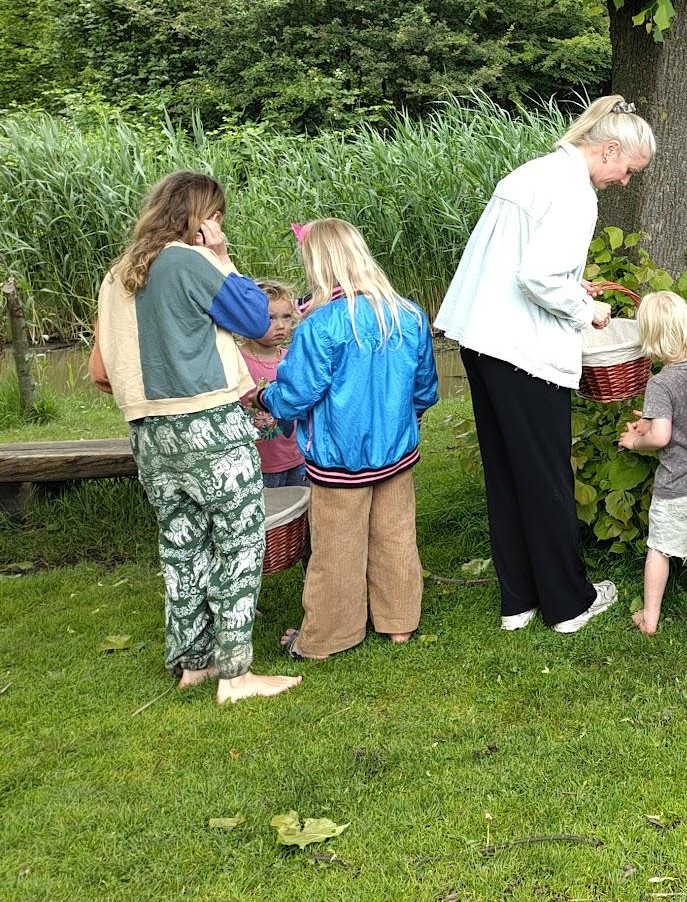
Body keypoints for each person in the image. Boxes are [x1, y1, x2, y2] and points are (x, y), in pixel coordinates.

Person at [436, 95, 654, 635]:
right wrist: (588, 307)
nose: (625, 181)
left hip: (482, 339)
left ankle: (519, 601)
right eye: (628, 170)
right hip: (522, 351)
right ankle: (567, 603)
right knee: (547, 475)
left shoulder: (532, 174)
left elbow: (519, 263)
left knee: (506, 474)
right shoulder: (574, 193)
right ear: (609, 150)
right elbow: (536, 278)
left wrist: (568, 285)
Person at [92, 170, 299, 703]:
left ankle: (194, 663)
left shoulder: (118, 275)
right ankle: (236, 674)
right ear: (203, 217)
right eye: (217, 217)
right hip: (206, 422)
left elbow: (103, 367)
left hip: (147, 430)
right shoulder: (190, 260)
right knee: (238, 542)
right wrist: (223, 256)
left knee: (182, 545)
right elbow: (256, 319)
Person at [259, 220, 439, 660]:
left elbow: (296, 395)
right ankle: (399, 622)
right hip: (397, 452)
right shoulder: (408, 314)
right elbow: (426, 389)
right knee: (396, 536)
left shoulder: (321, 325)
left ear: (320, 263)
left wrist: (266, 396)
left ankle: (329, 636)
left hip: (339, 459)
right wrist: (400, 421)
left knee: (337, 546)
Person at [618, 292, 687, 639]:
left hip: (677, 484)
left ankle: (650, 617)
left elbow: (660, 438)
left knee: (659, 549)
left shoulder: (660, 382)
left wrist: (635, 441)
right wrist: (650, 420)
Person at [239, 281, 308, 489]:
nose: (280, 325)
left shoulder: (292, 359)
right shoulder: (237, 361)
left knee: (301, 514)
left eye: (286, 317)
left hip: (298, 459)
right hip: (258, 464)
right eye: (270, 318)